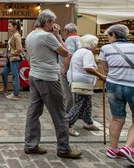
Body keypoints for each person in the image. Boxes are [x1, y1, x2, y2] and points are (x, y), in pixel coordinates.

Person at [24, 9, 82, 159]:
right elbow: (65, 52)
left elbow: (29, 57)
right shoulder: (47, 36)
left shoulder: (30, 35)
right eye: (52, 23)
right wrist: (57, 35)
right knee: (60, 114)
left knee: (33, 112)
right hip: (48, 77)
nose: (54, 26)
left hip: (34, 75)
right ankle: (63, 149)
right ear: (47, 22)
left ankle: (30, 144)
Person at [98, 24, 134, 164]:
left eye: (108, 36)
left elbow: (105, 68)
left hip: (113, 84)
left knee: (117, 118)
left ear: (113, 35)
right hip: (132, 84)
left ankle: (113, 149)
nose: (107, 38)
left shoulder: (106, 48)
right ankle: (128, 147)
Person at [67, 35, 106, 137]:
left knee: (87, 101)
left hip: (77, 79)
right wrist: (100, 75)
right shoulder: (87, 53)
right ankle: (67, 124)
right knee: (80, 103)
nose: (96, 47)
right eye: (95, 44)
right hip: (83, 81)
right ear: (92, 44)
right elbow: (87, 68)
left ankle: (88, 122)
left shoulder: (79, 51)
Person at [0, 20, 24, 100]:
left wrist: (11, 54)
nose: (8, 27)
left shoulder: (16, 36)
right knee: (4, 73)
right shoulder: (13, 35)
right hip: (10, 59)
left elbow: (20, 49)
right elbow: (10, 47)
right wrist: (7, 57)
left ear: (15, 26)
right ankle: (5, 89)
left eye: (9, 26)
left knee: (15, 76)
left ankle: (15, 94)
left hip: (15, 59)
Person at [60, 23, 81, 114]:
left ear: (67, 31)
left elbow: (69, 54)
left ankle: (68, 110)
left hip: (69, 69)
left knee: (67, 91)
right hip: (77, 69)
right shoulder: (80, 39)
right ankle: (76, 109)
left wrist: (64, 68)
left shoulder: (70, 39)